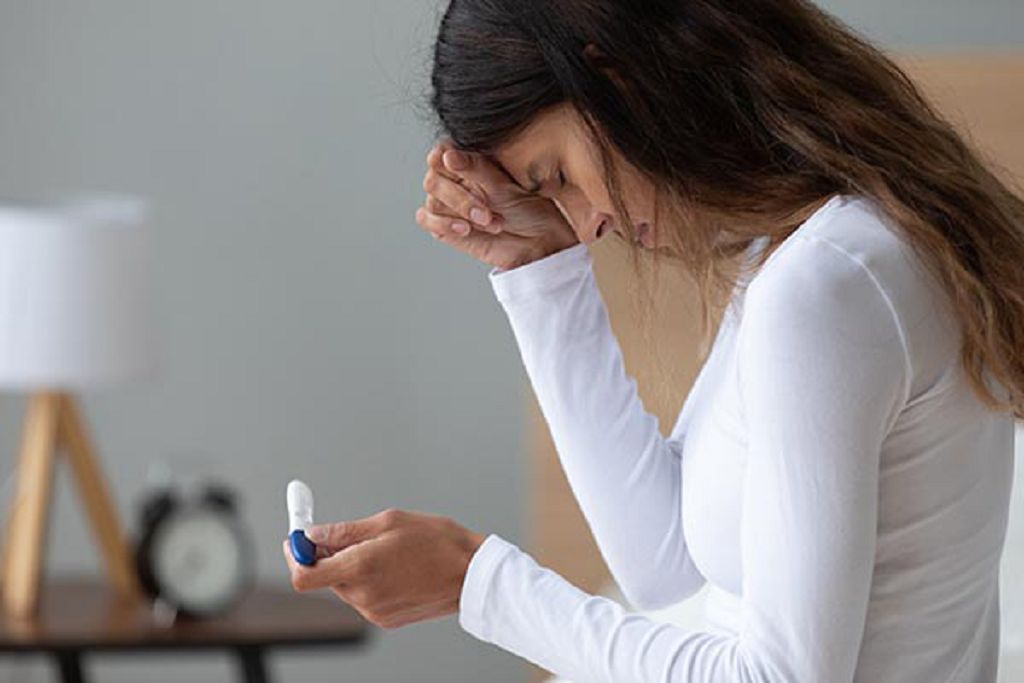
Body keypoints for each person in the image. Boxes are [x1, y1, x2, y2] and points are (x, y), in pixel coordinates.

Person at [283, 1, 1024, 680]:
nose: (589, 223)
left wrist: (475, 580)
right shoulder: (808, 253)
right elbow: (663, 566)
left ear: (620, 77)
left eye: (559, 175)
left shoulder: (822, 286)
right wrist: (543, 269)